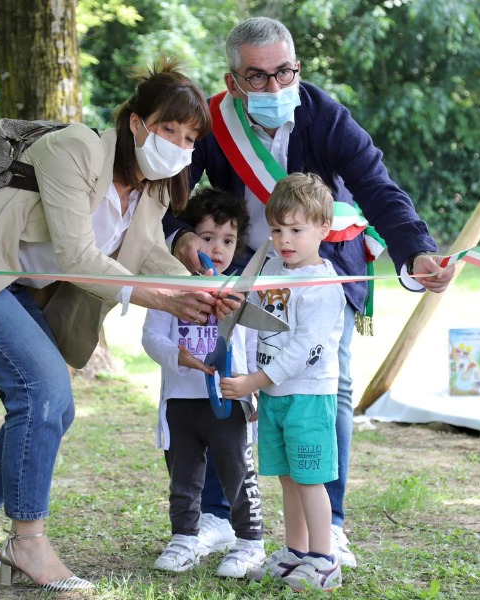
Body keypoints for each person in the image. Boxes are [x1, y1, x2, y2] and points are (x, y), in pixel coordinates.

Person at [0, 58, 237, 591]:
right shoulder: (77, 149)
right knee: (40, 389)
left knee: (56, 403)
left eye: (191, 137)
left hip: (5, 280)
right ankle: (27, 542)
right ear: (136, 122)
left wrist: (207, 291)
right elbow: (79, 255)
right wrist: (167, 302)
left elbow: (145, 255)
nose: (179, 144)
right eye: (170, 128)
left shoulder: (152, 189)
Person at [167, 16, 457, 567]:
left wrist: (416, 250)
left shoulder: (326, 116)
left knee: (330, 386)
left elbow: (377, 185)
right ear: (232, 82)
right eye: (258, 77)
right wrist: (181, 237)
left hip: (324, 271)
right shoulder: (212, 120)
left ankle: (333, 526)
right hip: (247, 274)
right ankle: (216, 517)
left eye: (286, 72)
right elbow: (170, 189)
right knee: (225, 381)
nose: (276, 88)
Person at [219, 173, 346, 591]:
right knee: (288, 478)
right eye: (276, 230)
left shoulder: (324, 286)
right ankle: (296, 553)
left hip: (308, 397)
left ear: (323, 229)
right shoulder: (272, 268)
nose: (284, 240)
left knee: (310, 478)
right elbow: (252, 319)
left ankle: (325, 561)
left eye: (296, 230)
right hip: (274, 394)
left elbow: (305, 349)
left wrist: (253, 379)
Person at [141, 187, 265, 578]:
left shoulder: (240, 293)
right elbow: (151, 337)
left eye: (227, 240)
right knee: (183, 476)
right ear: (189, 240)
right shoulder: (171, 285)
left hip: (228, 402)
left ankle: (250, 542)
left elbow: (254, 343)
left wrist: (248, 385)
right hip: (181, 401)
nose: (217, 248)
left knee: (237, 472)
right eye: (207, 237)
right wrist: (183, 359)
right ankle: (184, 538)